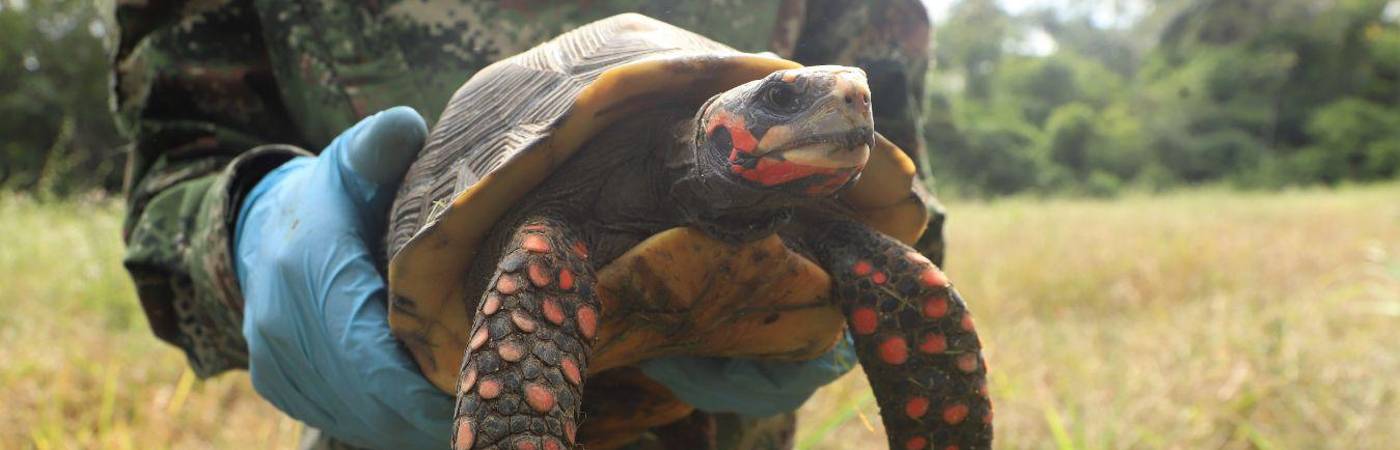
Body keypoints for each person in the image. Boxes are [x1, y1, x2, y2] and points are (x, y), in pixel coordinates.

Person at [112, 1, 943, 449]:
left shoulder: (821, 182)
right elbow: (178, 167)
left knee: (902, 281)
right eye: (787, 98)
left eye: (847, 100)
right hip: (401, 434)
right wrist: (251, 224)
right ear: (720, 125)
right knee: (543, 254)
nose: (844, 102)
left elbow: (905, 208)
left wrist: (907, 286)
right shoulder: (559, 231)